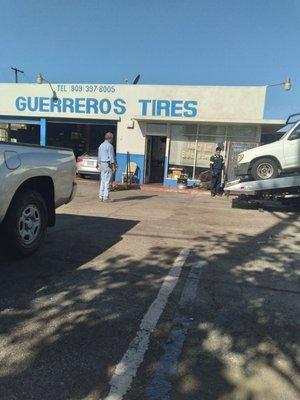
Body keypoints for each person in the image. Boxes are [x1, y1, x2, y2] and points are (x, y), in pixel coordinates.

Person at [97, 132, 117, 202]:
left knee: (102, 180)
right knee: (108, 181)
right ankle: (106, 197)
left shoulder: (101, 145)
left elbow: (99, 156)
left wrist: (98, 163)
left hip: (102, 164)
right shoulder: (110, 146)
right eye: (112, 139)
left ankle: (101, 196)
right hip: (108, 164)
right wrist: (114, 165)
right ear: (110, 138)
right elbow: (111, 157)